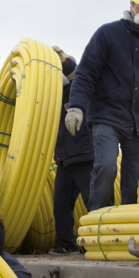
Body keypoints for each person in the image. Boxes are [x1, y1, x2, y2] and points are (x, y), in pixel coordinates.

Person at [66, 0, 139, 210]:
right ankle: (99, 221)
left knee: (137, 181)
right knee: (106, 167)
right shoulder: (108, 35)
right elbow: (85, 73)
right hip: (107, 116)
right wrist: (76, 106)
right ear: (131, 3)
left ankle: (129, 227)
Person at [49, 45, 92, 255]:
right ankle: (68, 243)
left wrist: (64, 59)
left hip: (84, 155)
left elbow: (76, 72)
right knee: (61, 204)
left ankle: (100, 241)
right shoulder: (56, 96)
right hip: (64, 159)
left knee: (93, 201)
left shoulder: (80, 89)